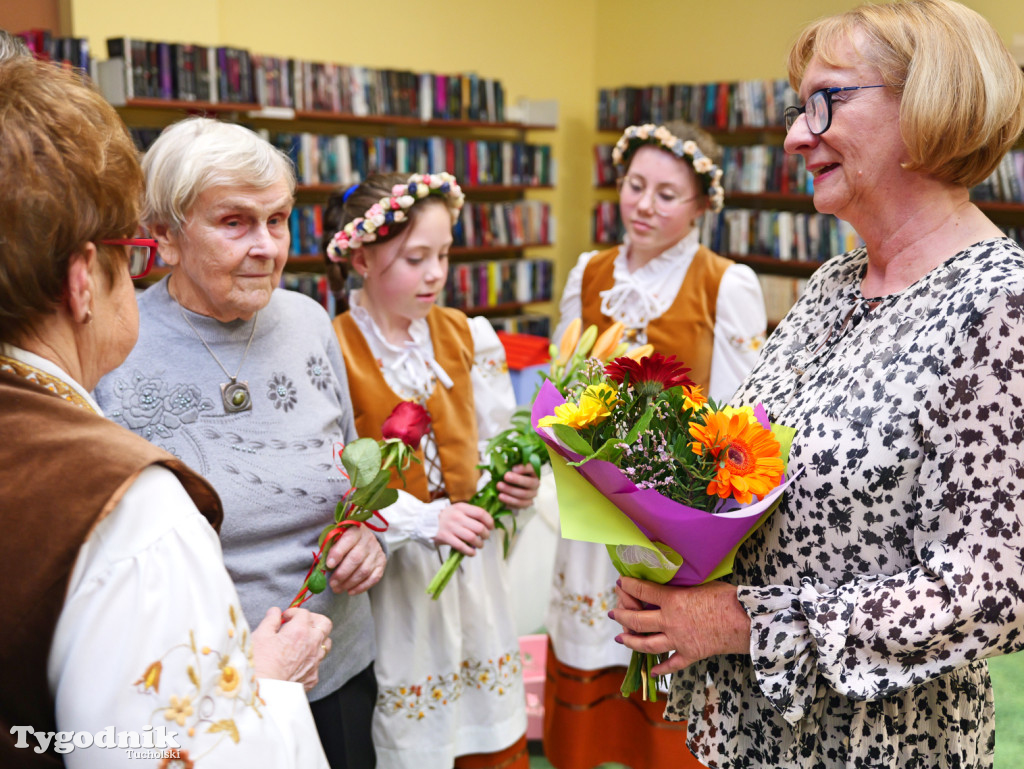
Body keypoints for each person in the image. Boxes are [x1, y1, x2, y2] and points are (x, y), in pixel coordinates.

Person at [609, 1, 1024, 767]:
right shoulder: (832, 283)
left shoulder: (1000, 306)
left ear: (927, 103)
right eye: (798, 107)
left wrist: (745, 621)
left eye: (826, 100)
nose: (797, 134)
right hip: (757, 736)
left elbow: (996, 588)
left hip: (876, 746)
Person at [0, 57, 332, 768]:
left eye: (278, 220)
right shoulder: (131, 503)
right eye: (135, 252)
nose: (265, 246)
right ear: (84, 279)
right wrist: (265, 686)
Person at [93, 117, 385, 769]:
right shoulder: (115, 349)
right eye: (234, 222)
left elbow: (355, 474)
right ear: (166, 236)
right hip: (201, 695)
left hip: (335, 670)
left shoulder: (311, 322)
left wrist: (366, 535)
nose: (266, 246)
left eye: (277, 220)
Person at [542, 121, 767, 768]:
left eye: (667, 194)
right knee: (595, 676)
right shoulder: (589, 272)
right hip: (592, 515)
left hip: (673, 526)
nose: (643, 204)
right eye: (635, 185)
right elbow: (564, 384)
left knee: (666, 707)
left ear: (702, 204)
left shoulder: (726, 283)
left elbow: (737, 421)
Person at [321, 172, 540, 769]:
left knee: (485, 719)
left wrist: (515, 484)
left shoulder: (467, 335)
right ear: (361, 258)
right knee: (416, 719)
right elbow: (336, 478)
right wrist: (420, 520)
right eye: (415, 258)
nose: (436, 273)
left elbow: (496, 438)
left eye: (443, 254)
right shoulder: (333, 348)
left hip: (473, 564)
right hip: (399, 577)